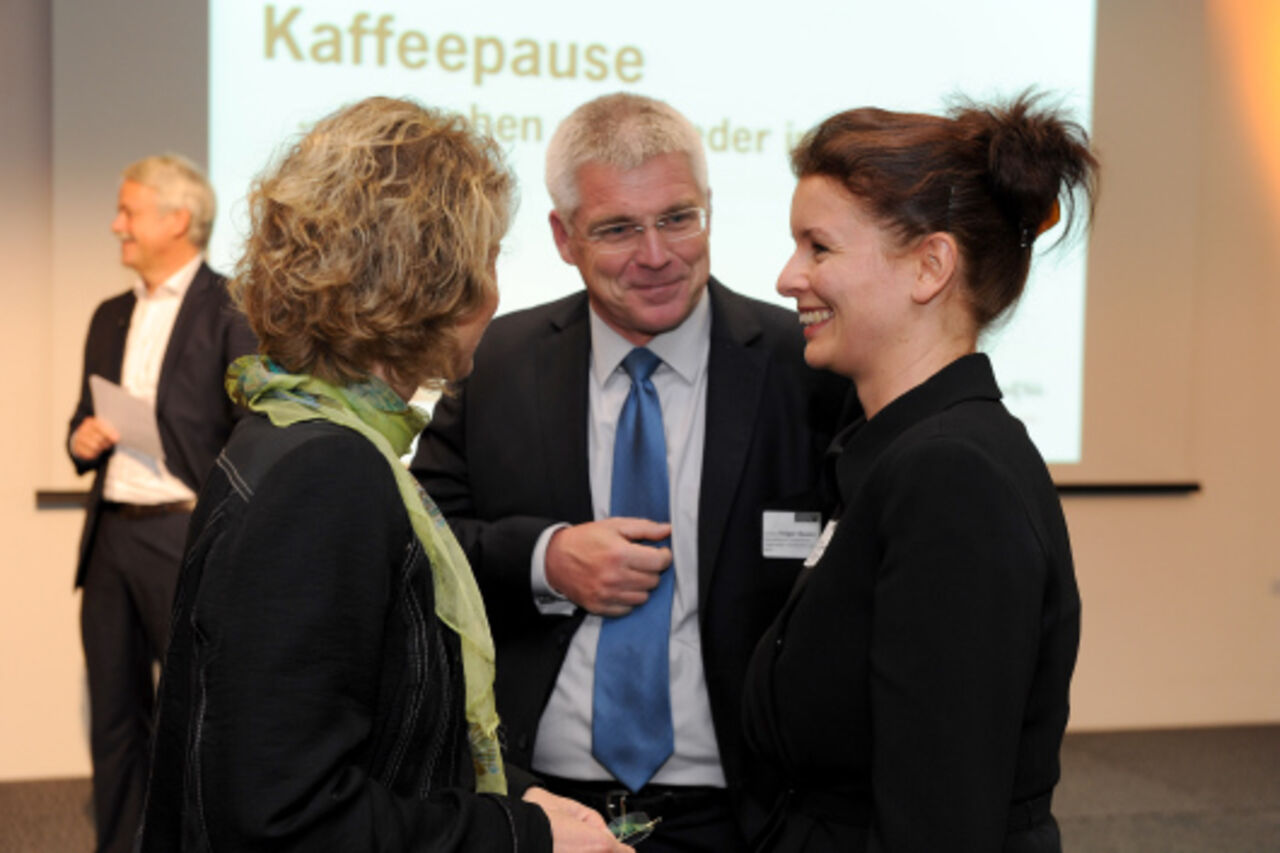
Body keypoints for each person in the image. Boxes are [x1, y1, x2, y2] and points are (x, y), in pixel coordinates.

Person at [136, 97, 627, 853]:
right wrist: (526, 836)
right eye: (490, 256)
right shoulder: (327, 471)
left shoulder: (291, 426)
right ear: (433, 281)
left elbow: (364, 733)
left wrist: (519, 793)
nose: (497, 290)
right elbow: (288, 820)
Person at [412, 92, 850, 851]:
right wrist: (546, 558)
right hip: (539, 803)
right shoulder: (496, 362)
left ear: (709, 208)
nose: (656, 255)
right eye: (618, 228)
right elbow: (424, 541)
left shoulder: (804, 365)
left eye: (678, 217)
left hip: (745, 810)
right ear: (563, 236)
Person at [741, 93, 1097, 852]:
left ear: (930, 265)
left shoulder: (950, 476)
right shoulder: (899, 454)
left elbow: (938, 821)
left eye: (819, 248)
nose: (786, 277)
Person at [67, 153, 257, 853]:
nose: (116, 223)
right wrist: (80, 437)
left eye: (128, 210)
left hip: (183, 534)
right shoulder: (108, 315)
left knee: (195, 714)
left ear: (177, 219)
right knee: (113, 717)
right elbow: (79, 419)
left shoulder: (232, 306)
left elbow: (252, 426)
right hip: (111, 534)